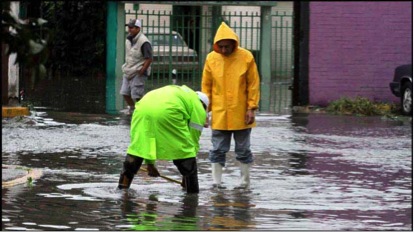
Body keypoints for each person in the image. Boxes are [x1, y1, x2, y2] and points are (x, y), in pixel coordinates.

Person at [117, 85, 209, 194]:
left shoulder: (183, 93)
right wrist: (187, 174)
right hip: (168, 111)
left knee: (138, 147)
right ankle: (192, 198)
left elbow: (148, 141)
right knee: (186, 152)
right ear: (203, 105)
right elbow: (192, 142)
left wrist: (150, 164)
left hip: (141, 109)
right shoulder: (198, 106)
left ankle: (122, 192)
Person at [201, 21, 260, 189]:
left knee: (243, 149)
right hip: (220, 112)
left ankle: (244, 182)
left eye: (227, 46)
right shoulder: (211, 59)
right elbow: (207, 87)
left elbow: (253, 84)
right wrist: (204, 110)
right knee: (217, 148)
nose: (224, 50)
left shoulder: (246, 57)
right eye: (221, 47)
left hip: (241, 111)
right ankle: (216, 182)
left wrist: (251, 108)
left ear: (234, 43)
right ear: (216, 45)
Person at [120, 19, 153, 115]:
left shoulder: (144, 42)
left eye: (131, 27)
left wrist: (142, 71)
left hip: (139, 70)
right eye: (128, 27)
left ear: (138, 28)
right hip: (128, 70)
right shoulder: (129, 39)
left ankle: (142, 110)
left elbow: (149, 59)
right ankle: (133, 108)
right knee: (124, 92)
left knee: (137, 94)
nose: (129, 29)